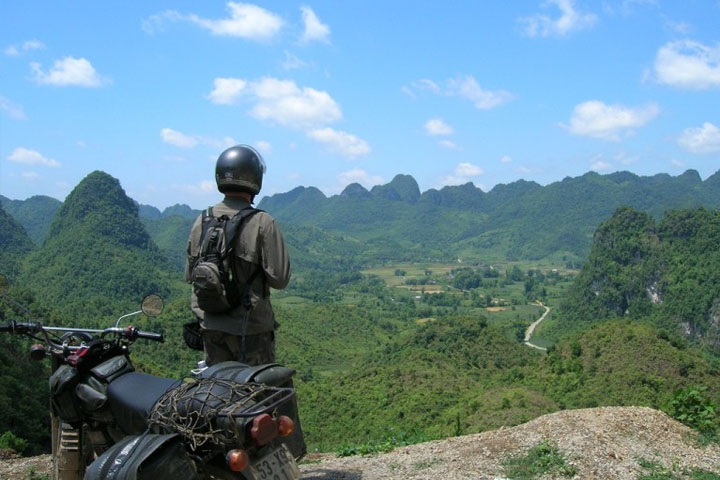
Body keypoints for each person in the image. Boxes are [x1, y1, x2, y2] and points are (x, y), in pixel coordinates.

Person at [185, 144, 290, 367]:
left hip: (210, 327)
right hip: (250, 330)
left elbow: (191, 275)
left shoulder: (202, 220)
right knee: (257, 396)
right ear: (255, 178)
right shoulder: (262, 222)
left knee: (219, 393)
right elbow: (279, 279)